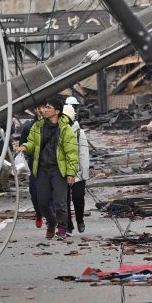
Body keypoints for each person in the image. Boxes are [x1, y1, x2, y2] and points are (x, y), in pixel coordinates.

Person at [18, 95, 79, 240]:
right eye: (45, 107)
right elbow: (32, 143)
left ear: (57, 111)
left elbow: (72, 153)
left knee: (60, 202)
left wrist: (71, 173)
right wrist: (25, 147)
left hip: (58, 170)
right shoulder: (37, 126)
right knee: (42, 202)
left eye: (48, 107)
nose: (44, 110)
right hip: (41, 170)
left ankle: (62, 228)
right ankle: (51, 222)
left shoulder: (66, 130)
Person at [63, 100, 91, 234]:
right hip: (62, 172)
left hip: (77, 172)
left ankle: (80, 219)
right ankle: (68, 225)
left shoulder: (79, 132)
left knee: (77, 198)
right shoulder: (57, 130)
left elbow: (84, 154)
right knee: (63, 201)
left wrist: (84, 174)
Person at [19, 107, 45, 228]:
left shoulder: (54, 125)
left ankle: (52, 219)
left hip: (51, 165)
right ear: (36, 110)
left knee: (52, 193)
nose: (43, 110)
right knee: (34, 193)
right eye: (40, 108)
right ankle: (38, 213)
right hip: (34, 164)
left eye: (45, 107)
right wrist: (25, 148)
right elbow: (23, 144)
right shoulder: (29, 127)